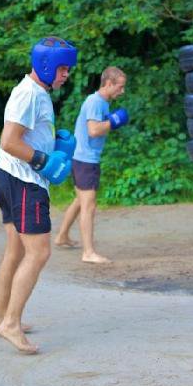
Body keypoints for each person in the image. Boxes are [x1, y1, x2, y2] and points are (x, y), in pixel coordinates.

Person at [0, 36, 77, 354]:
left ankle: (1, 316)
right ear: (46, 64)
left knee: (15, 250)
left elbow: (25, 138)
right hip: (24, 182)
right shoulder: (29, 94)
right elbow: (9, 140)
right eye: (63, 68)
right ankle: (11, 324)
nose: (66, 74)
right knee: (38, 253)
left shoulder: (35, 92)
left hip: (9, 177)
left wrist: (54, 148)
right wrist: (43, 160)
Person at [54, 67, 129, 264]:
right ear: (109, 83)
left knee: (80, 201)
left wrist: (111, 121)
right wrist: (114, 121)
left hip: (83, 157)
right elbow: (94, 130)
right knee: (89, 205)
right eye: (120, 87)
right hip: (85, 159)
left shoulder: (102, 102)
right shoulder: (95, 102)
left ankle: (62, 236)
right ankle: (88, 253)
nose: (122, 91)